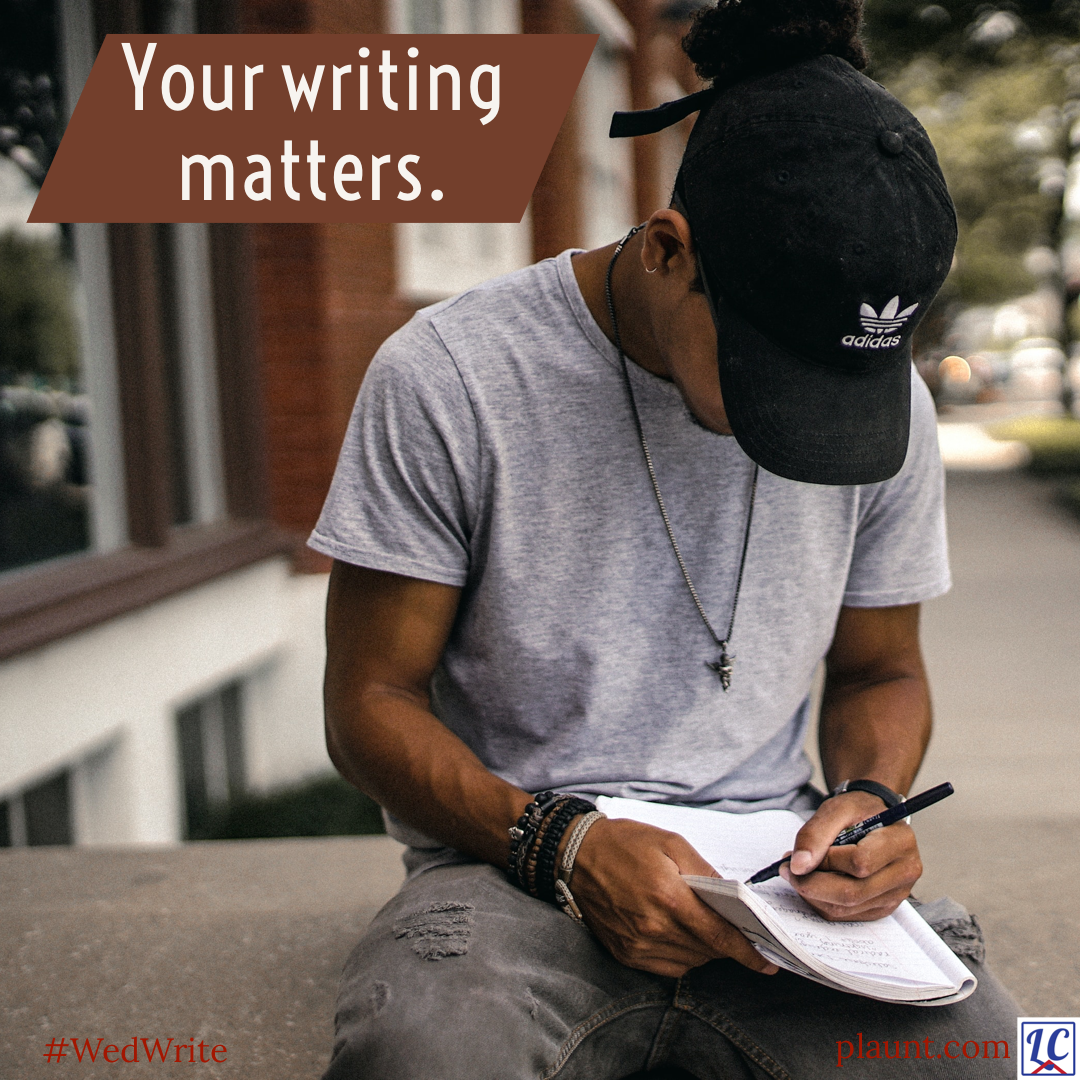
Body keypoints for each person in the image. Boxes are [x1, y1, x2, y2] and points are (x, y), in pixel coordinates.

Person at [309, 2, 1019, 1076]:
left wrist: (869, 802)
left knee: (1033, 1058)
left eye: (839, 384)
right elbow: (369, 703)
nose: (803, 424)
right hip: (512, 869)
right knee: (429, 1053)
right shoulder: (452, 375)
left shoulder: (893, 407)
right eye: (768, 378)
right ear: (668, 249)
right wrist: (564, 842)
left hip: (781, 889)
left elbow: (882, 668)